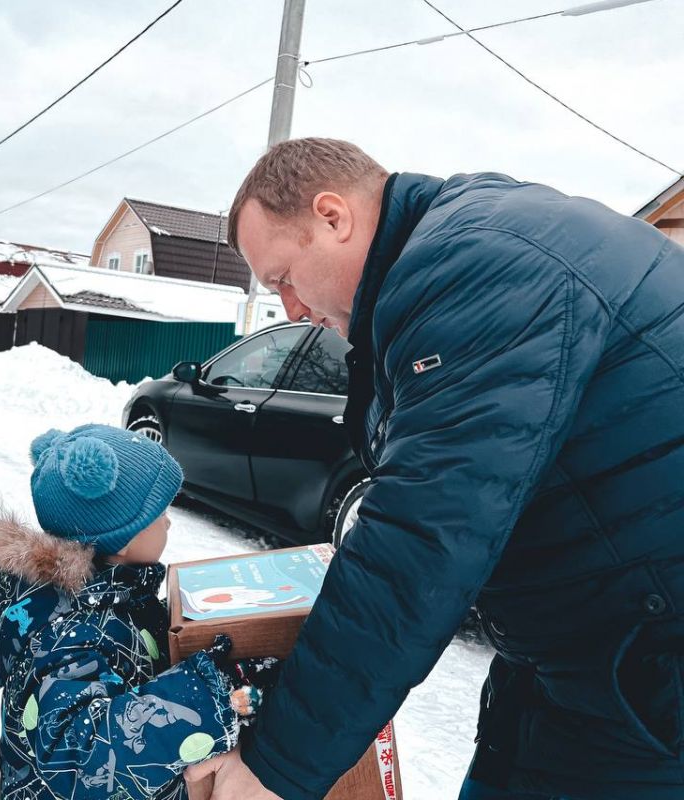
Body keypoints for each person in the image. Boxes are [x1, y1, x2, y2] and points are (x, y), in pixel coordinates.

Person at [182, 137, 684, 800]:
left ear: (334, 218)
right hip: (583, 645)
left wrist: (275, 767)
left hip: (646, 665)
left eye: (282, 279)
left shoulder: (473, 265)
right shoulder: (463, 241)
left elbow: (422, 539)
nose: (291, 311)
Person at [0, 424, 279, 799]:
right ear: (124, 539)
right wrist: (208, 694)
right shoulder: (67, 633)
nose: (169, 521)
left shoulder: (117, 598)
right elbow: (80, 758)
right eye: (160, 513)